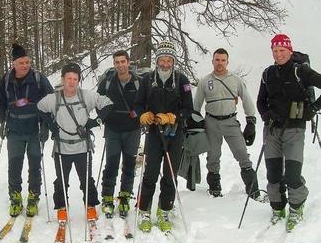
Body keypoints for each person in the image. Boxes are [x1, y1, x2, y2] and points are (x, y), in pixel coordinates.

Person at [257, 34, 321, 231]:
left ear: (290, 51)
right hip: (273, 129)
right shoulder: (268, 73)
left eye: (282, 50)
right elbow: (261, 101)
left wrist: (313, 108)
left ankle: (296, 206)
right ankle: (277, 208)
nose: (278, 54)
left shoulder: (300, 70)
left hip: (295, 128)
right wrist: (266, 115)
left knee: (292, 174)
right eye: (275, 51)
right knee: (273, 174)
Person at [37, 62, 113, 226]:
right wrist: (50, 124)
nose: (71, 82)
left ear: (78, 80)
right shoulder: (54, 98)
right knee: (61, 180)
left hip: (82, 147)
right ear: (63, 79)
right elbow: (39, 107)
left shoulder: (86, 96)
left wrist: (97, 121)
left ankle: (90, 205)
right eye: (68, 78)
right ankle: (62, 207)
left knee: (86, 179)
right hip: (61, 148)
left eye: (75, 79)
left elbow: (108, 104)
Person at [134, 40, 193, 232]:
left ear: (173, 61)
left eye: (169, 60)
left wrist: (172, 117)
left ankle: (165, 208)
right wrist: (142, 114)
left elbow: (188, 109)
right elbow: (137, 104)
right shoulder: (147, 79)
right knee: (150, 173)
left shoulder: (182, 80)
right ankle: (144, 210)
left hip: (174, 133)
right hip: (153, 132)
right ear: (157, 60)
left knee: (170, 173)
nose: (165, 63)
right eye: (162, 59)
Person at [194, 48, 262, 200]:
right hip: (211, 122)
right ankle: (214, 188)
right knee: (213, 155)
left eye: (223, 60)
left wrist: (251, 120)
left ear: (227, 62)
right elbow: (196, 105)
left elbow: (247, 99)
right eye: (217, 60)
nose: (220, 63)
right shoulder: (205, 81)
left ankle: (253, 189)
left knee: (242, 153)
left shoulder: (236, 79)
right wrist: (194, 123)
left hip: (230, 121)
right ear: (212, 61)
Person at [0, 43, 53, 218]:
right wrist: (2, 121)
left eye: (27, 62)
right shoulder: (6, 80)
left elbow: (50, 101)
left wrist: (45, 126)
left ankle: (33, 198)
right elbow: (0, 102)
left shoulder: (38, 78)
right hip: (14, 131)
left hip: (34, 130)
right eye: (21, 62)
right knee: (14, 166)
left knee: (35, 166)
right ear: (14, 63)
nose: (25, 65)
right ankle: (15, 198)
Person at [97, 50, 141, 218]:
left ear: (128, 62)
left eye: (123, 61)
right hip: (113, 129)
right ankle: (107, 198)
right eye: (117, 62)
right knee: (112, 164)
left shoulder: (138, 82)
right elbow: (98, 101)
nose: (121, 65)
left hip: (133, 129)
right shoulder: (108, 82)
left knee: (129, 165)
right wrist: (104, 117)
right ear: (114, 64)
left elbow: (144, 102)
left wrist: (137, 113)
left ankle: (124, 197)